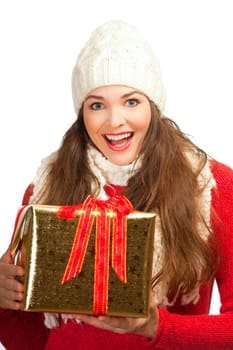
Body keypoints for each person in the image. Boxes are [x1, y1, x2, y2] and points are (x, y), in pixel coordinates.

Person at [0, 20, 233, 350]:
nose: (114, 121)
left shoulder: (209, 186)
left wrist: (154, 325)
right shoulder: (47, 187)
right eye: (97, 105)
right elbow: (29, 341)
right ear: (82, 113)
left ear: (152, 105)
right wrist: (5, 301)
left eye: (131, 101)